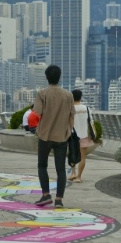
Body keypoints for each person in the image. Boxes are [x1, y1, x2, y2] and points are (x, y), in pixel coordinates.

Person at [33, 65, 75, 209]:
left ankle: (45, 195)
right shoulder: (68, 95)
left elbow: (36, 113)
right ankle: (59, 199)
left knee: (42, 165)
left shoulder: (42, 93)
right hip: (62, 137)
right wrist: (69, 132)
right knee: (61, 169)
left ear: (46, 77)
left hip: (45, 135)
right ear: (59, 77)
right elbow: (71, 116)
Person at [68, 89, 95, 183]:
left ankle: (73, 173)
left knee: (72, 154)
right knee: (83, 157)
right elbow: (91, 122)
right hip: (84, 135)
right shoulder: (86, 108)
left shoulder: (70, 108)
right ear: (81, 97)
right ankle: (79, 177)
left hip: (72, 135)